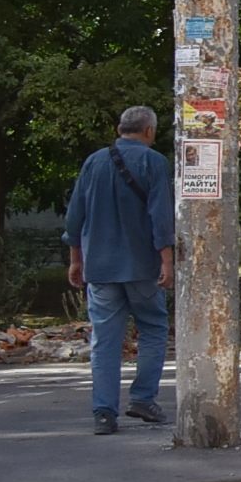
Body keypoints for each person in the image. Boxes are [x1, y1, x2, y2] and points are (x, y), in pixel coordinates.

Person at [63, 106, 174, 435]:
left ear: (118, 128)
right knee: (153, 329)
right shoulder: (154, 162)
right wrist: (166, 261)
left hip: (100, 267)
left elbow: (75, 214)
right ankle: (142, 398)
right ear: (150, 132)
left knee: (105, 341)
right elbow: (160, 216)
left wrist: (75, 259)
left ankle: (103, 413)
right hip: (141, 267)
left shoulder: (94, 161)